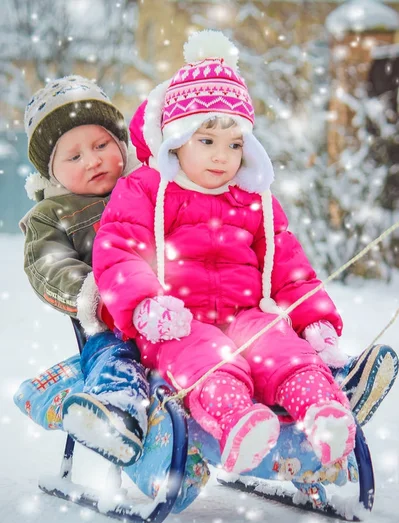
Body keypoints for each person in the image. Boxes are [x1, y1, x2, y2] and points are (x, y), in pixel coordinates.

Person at [91, 30, 360, 475]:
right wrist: (144, 306)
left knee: (282, 349)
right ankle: (239, 422)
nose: (222, 157)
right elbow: (118, 250)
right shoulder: (147, 189)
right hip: (178, 321)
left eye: (235, 144)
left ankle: (321, 412)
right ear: (176, 138)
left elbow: (288, 266)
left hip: (245, 315)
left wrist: (313, 319)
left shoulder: (253, 197)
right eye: (207, 141)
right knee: (208, 357)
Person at [20, 75, 149, 467]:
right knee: (114, 356)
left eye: (101, 145)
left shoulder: (147, 187)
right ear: (52, 172)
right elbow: (47, 264)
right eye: (73, 157)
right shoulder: (51, 215)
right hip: (112, 327)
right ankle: (116, 416)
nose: (92, 160)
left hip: (176, 312)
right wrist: (95, 291)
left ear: (120, 145)